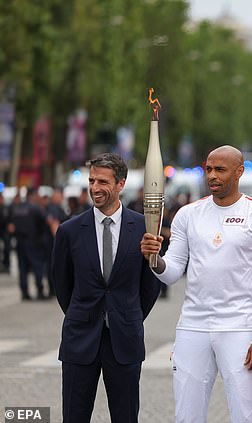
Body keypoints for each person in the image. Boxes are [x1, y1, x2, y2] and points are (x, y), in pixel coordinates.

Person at [140, 145, 252, 423]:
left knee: (246, 415)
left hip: (239, 326)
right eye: (208, 169)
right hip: (193, 326)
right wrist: (154, 258)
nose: (212, 176)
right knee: (186, 416)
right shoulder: (188, 215)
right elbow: (171, 272)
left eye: (220, 169)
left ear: (239, 172)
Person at [51, 153, 161, 423]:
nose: (95, 188)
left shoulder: (144, 229)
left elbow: (150, 285)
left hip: (125, 340)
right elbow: (62, 284)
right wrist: (84, 312)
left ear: (121, 184)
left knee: (125, 417)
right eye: (91, 180)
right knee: (74, 417)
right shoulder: (70, 231)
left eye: (103, 181)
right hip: (80, 339)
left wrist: (126, 313)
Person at [8, 188, 48, 300]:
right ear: (33, 195)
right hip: (33, 242)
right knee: (37, 266)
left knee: (23, 268)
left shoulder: (17, 208)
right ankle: (40, 290)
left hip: (20, 242)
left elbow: (11, 225)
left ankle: (24, 292)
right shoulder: (35, 208)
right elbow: (43, 223)